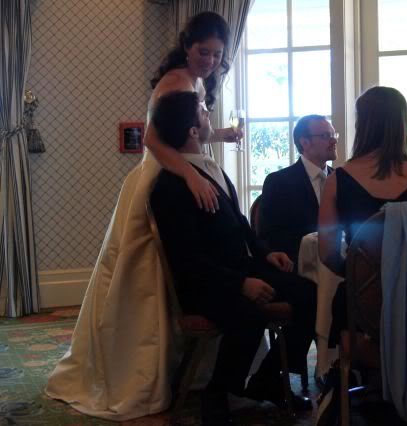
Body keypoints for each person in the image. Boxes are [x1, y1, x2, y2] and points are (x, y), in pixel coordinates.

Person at [45, 12, 240, 421]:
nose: (209, 61)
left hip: (185, 167)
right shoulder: (175, 80)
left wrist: (222, 135)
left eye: (216, 54)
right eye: (203, 52)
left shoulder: (198, 81)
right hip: (162, 177)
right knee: (146, 276)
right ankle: (140, 371)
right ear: (187, 46)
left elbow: (190, 132)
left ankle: (193, 365)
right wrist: (189, 175)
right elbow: (152, 138)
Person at [149, 91, 316, 424]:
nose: (208, 113)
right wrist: (241, 283)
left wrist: (266, 254)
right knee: (249, 314)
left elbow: (240, 223)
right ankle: (217, 392)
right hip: (205, 283)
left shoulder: (210, 170)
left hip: (241, 268)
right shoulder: (170, 186)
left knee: (310, 295)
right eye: (203, 111)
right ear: (192, 131)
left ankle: (268, 380)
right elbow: (187, 258)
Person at [318, 85, 407, 335]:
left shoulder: (337, 180)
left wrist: (360, 273)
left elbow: (327, 253)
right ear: (401, 125)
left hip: (362, 304)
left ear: (362, 125)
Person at [259, 115, 337, 268]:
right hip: (295, 269)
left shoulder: (340, 179)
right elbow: (267, 236)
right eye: (325, 136)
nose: (334, 141)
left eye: (334, 135)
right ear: (305, 143)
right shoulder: (278, 182)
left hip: (338, 267)